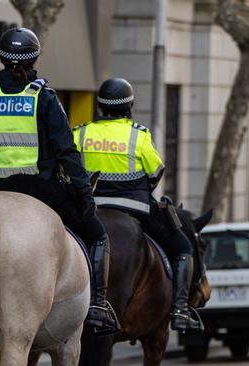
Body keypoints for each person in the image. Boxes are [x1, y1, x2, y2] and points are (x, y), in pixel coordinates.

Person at [0, 27, 120, 334]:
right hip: (41, 189)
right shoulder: (45, 98)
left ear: (1, 58)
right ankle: (98, 306)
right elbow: (67, 151)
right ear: (34, 58)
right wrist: (83, 193)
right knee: (97, 235)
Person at [72, 77, 201, 332]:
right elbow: (155, 172)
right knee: (183, 247)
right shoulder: (138, 135)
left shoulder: (81, 132)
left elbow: (69, 169)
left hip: (88, 210)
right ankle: (180, 310)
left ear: (100, 107)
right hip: (135, 209)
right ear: (129, 106)